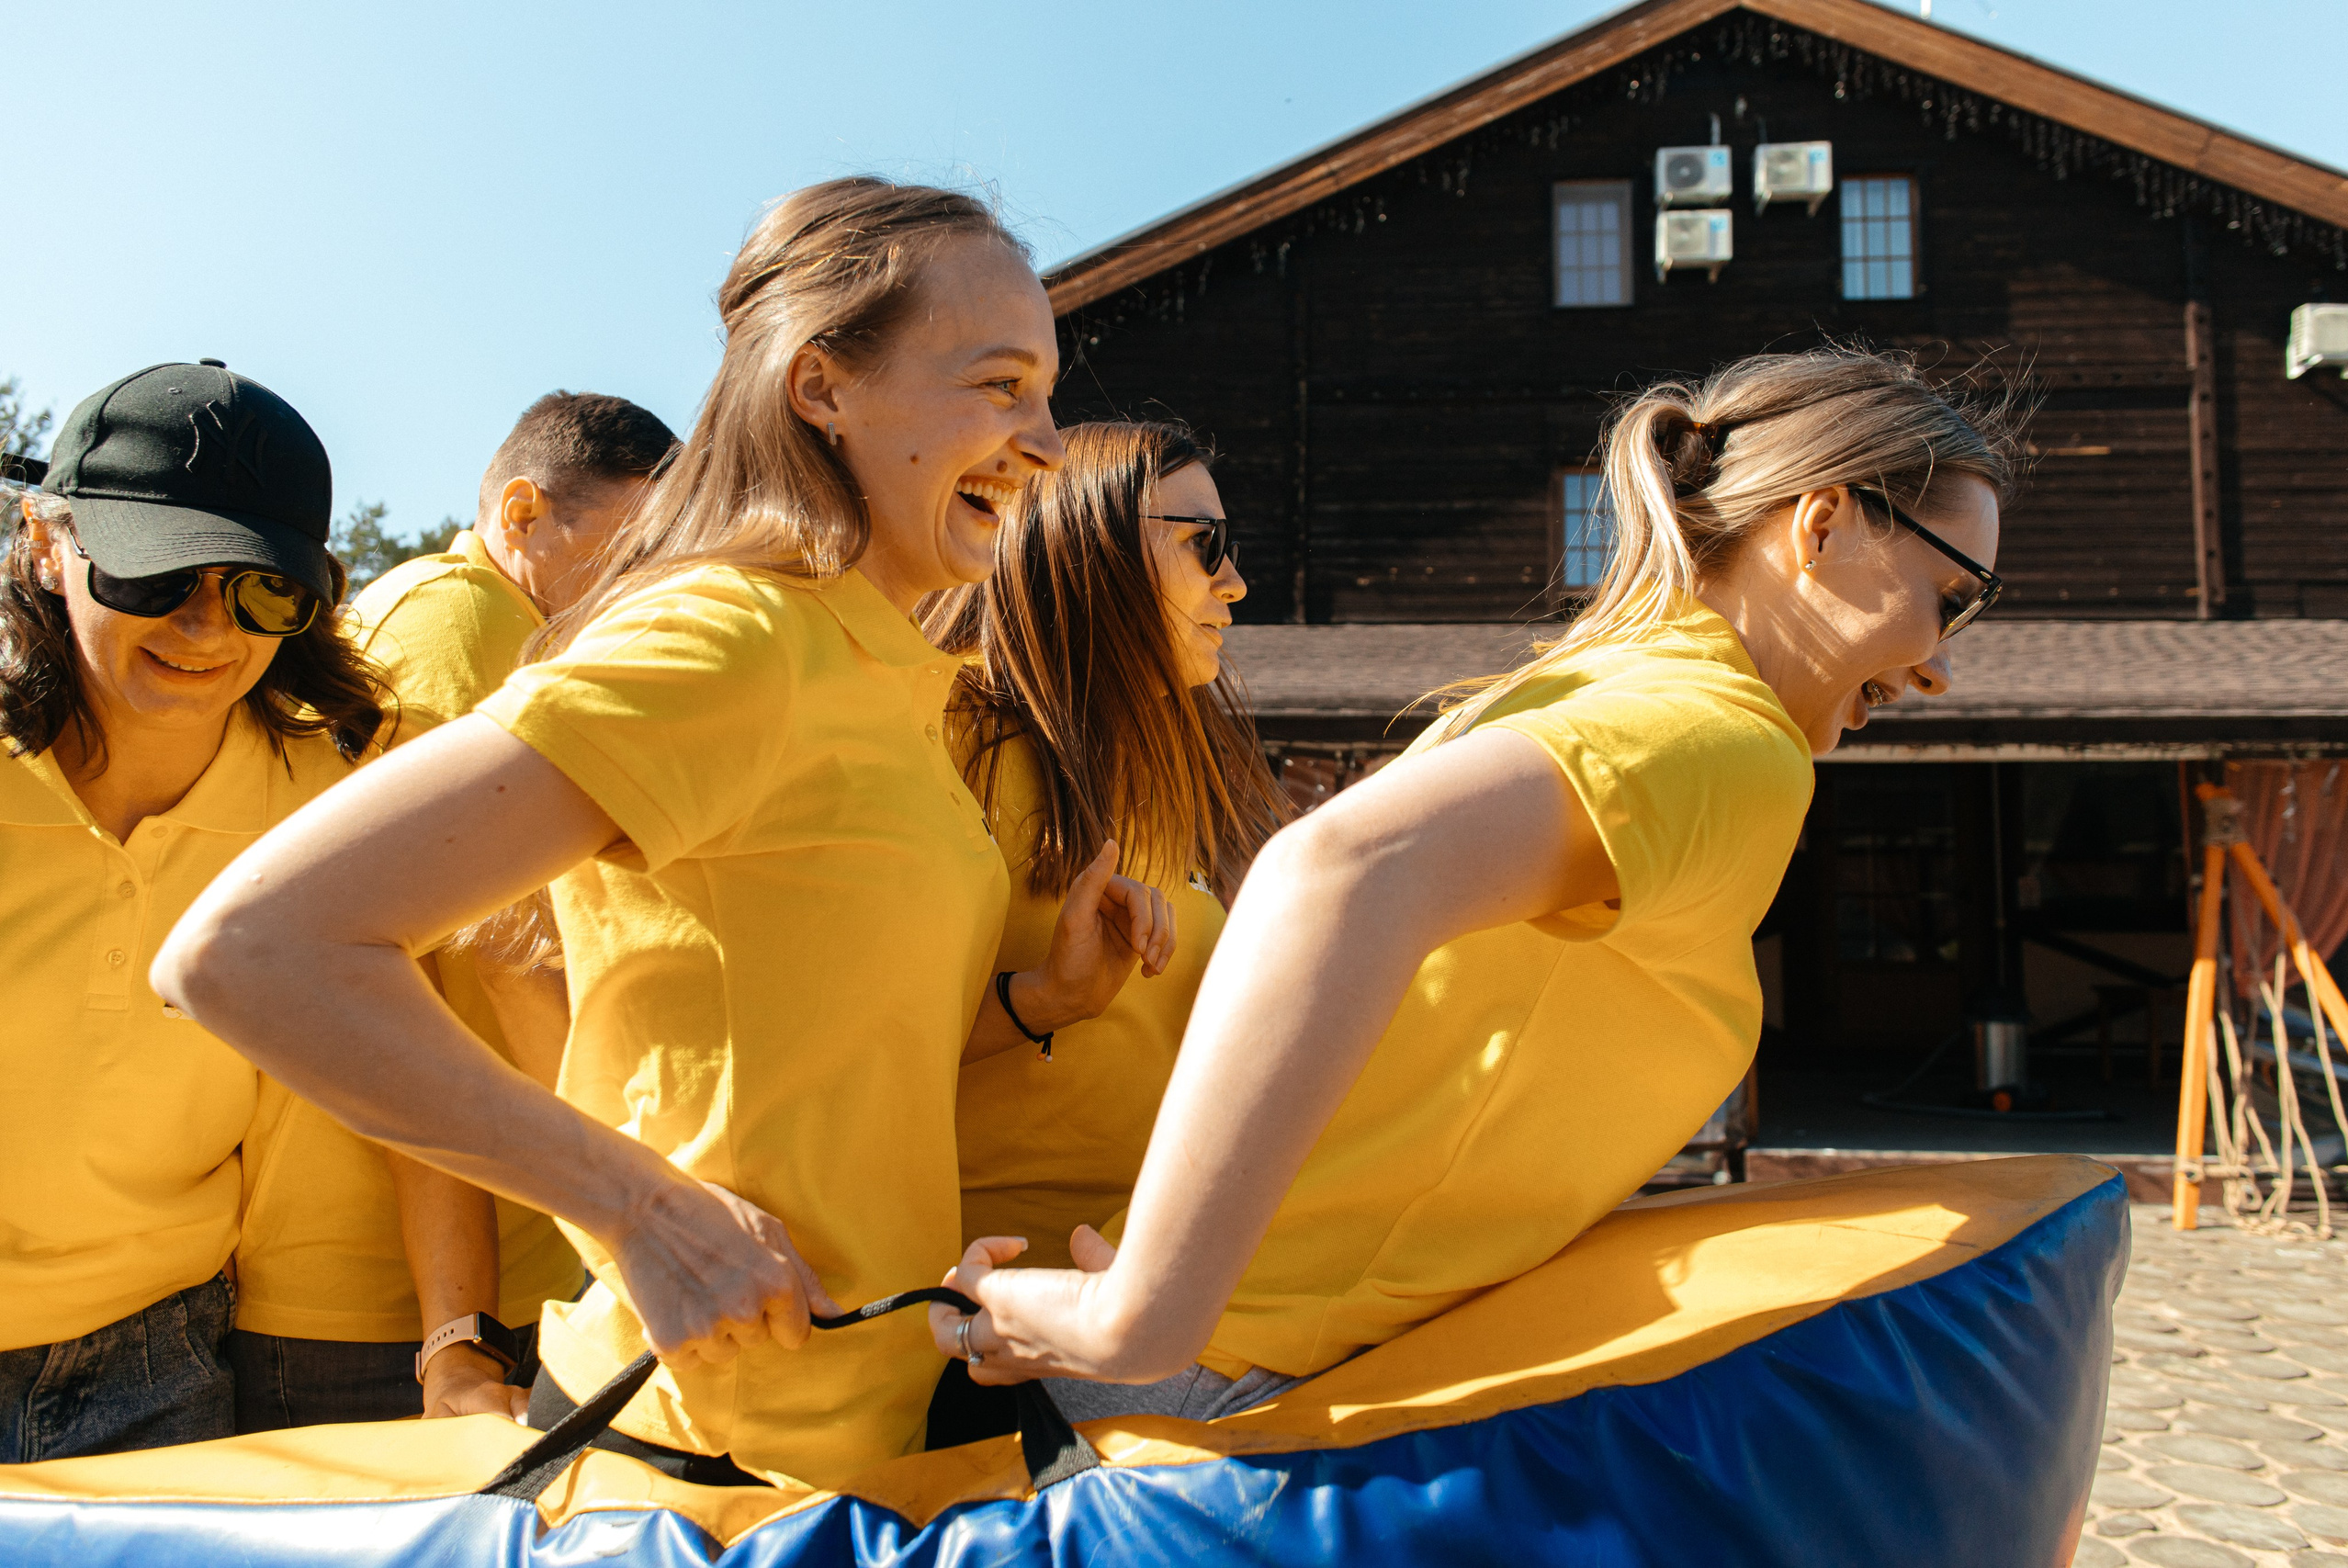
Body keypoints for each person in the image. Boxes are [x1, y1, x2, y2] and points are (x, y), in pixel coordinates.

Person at [155, 179, 1174, 1487]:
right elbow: (249, 948)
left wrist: (1041, 999)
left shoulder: (891, 672)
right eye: (998, 384)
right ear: (822, 387)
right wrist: (638, 1209)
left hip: (862, 1429)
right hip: (693, 1460)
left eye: (1046, 389)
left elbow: (810, 1037)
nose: (1043, 438)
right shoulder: (731, 636)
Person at [928, 346, 2026, 1421]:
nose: (1939, 664)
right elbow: (1333, 871)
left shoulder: (1600, 684)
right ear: (1821, 526)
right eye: (1949, 596)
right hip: (1235, 1378)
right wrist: (1143, 1315)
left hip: (1229, 1349)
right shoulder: (1726, 741)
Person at [225, 392, 677, 1431]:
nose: (647, 587)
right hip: (383, 1306)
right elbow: (496, 965)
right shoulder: (463, 625)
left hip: (477, 1272)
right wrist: (649, 1214)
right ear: (520, 513)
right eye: (630, 548)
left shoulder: (474, 619)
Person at [0, 361, 383, 1460]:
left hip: (160, 1367)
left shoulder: (334, 804)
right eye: (154, 575)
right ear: (45, 543)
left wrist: (454, 1346)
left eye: (262, 589)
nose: (207, 628)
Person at [919, 420, 1287, 1441]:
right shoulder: (946, 744)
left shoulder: (1157, 768)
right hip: (994, 1320)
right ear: (1087, 545)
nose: (1235, 583)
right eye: (1204, 545)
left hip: (1152, 1294)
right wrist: (1044, 1002)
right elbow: (833, 1052)